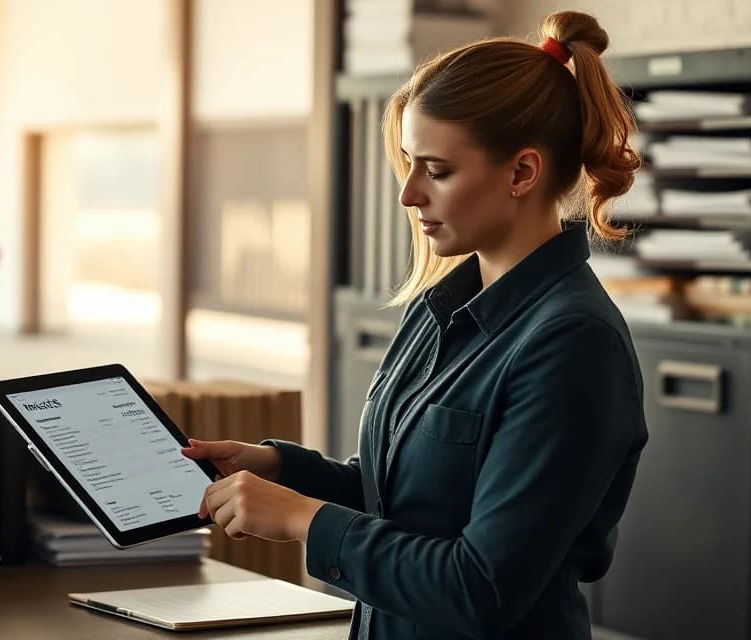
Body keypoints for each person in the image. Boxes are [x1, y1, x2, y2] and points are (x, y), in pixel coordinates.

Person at [181, 10, 648, 639]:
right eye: (408, 162)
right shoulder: (439, 310)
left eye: (438, 169)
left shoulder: (573, 344)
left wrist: (301, 520)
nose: (409, 194)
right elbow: (406, 503)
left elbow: (479, 586)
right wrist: (282, 470)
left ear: (522, 173)